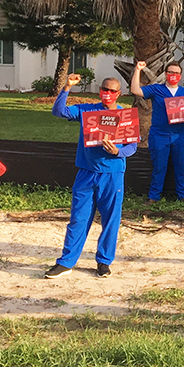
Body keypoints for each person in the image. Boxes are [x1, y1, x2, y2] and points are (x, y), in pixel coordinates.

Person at [45, 74, 138, 279]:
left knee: (110, 220)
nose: (108, 94)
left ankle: (104, 262)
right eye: (105, 89)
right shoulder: (88, 110)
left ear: (118, 94)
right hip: (86, 172)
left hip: (113, 174)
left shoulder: (126, 115)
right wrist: (67, 87)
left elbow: (132, 146)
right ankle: (66, 262)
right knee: (78, 218)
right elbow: (59, 111)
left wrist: (117, 152)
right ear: (100, 91)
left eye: (112, 91)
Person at [130, 60, 184, 204]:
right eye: (171, 72)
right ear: (165, 74)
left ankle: (183, 195)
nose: (173, 75)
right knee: (159, 166)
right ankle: (154, 196)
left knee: (180, 165)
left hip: (179, 134)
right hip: (159, 135)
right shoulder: (156, 89)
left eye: (176, 73)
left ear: (180, 76)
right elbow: (135, 90)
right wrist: (137, 70)